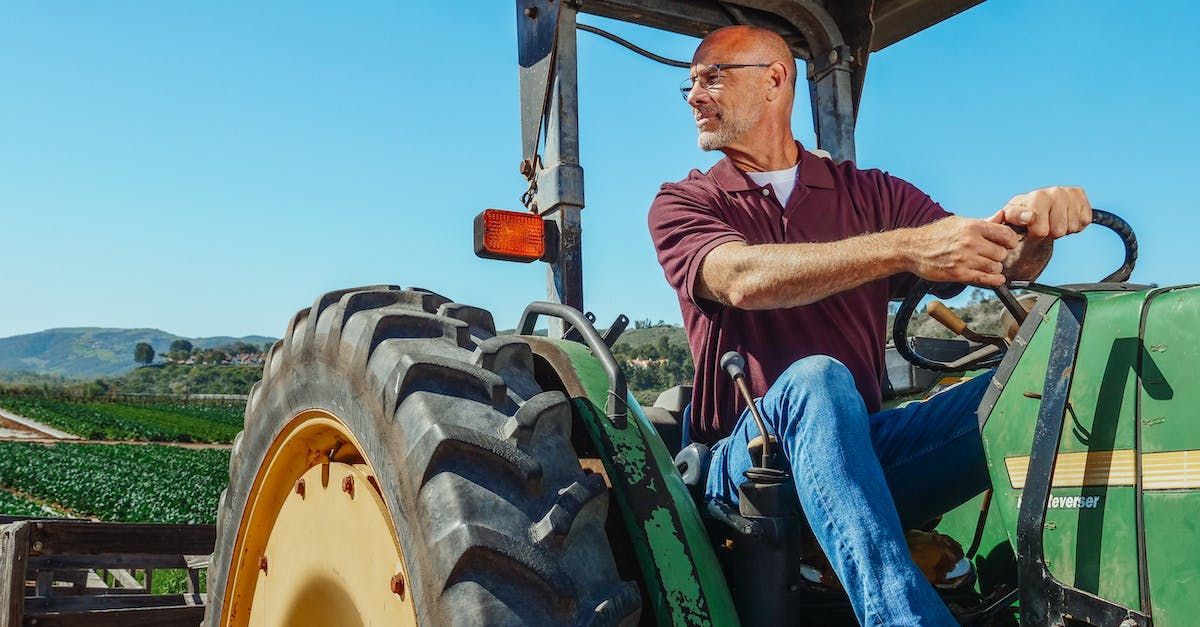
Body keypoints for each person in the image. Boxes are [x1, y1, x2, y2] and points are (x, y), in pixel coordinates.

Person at [647, 25, 1091, 625]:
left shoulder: (870, 194)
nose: (695, 95)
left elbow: (991, 261)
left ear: (775, 79)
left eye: (712, 77)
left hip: (864, 454)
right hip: (745, 463)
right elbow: (740, 277)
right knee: (818, 382)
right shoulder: (687, 202)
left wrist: (1033, 230)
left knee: (1038, 385)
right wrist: (905, 250)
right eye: (690, 83)